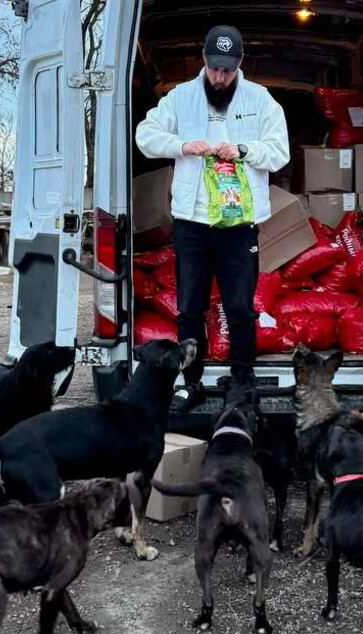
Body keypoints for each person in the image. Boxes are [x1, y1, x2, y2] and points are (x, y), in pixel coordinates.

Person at [135, 25, 290, 413]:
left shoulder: (261, 100)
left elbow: (279, 152)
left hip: (238, 224)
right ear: (204, 59)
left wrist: (244, 149)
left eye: (227, 70)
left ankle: (242, 379)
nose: (220, 78)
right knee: (190, 307)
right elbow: (145, 136)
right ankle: (191, 382)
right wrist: (181, 145)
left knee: (240, 307)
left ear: (240, 63)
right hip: (192, 222)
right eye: (214, 68)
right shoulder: (180, 98)